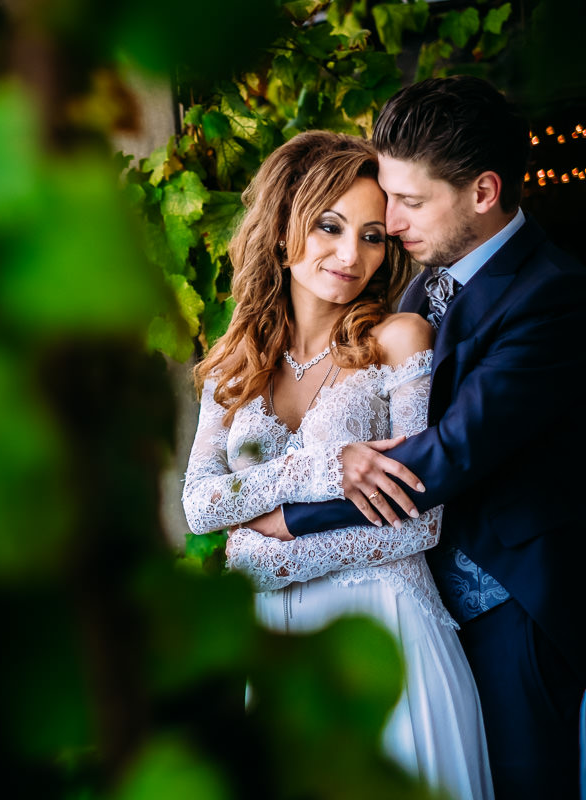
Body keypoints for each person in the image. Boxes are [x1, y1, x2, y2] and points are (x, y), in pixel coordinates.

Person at [244, 76, 586, 799]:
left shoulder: (553, 295)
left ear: (484, 192)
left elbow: (446, 455)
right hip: (421, 604)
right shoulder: (422, 285)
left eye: (409, 201)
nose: (390, 222)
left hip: (510, 607)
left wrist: (289, 515)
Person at [181, 129, 493, 800]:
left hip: (388, 636)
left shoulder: (398, 340)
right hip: (276, 649)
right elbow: (201, 504)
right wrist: (321, 468)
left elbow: (416, 525)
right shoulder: (234, 362)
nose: (351, 254)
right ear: (286, 218)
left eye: (374, 235)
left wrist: (265, 546)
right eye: (330, 226)